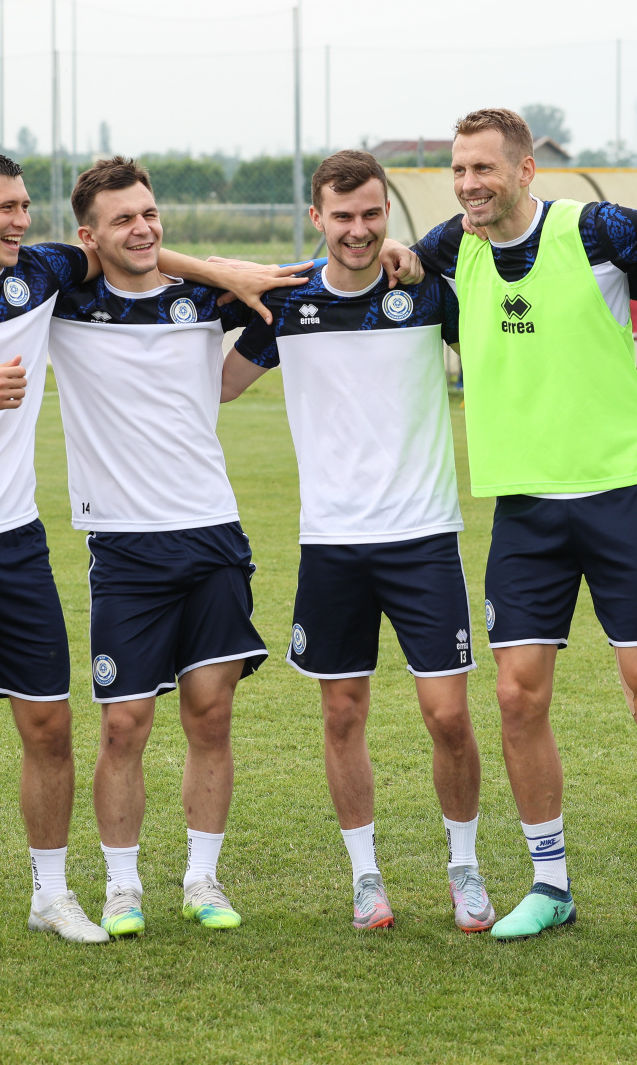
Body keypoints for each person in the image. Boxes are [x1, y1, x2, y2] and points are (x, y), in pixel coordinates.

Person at [0, 149, 301, 957]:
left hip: (25, 542)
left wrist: (219, 270)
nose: (21, 221)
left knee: (56, 727)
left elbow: (141, 257)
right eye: (7, 208)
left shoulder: (44, 275)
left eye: (26, 207)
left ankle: (57, 895)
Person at [412, 109, 637, 941]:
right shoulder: (449, 248)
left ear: (525, 168)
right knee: (516, 695)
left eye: (484, 168)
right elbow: (373, 264)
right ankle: (550, 884)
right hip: (524, 507)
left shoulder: (598, 230)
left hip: (618, 493)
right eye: (459, 169)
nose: (470, 184)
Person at [220, 151, 494, 933]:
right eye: (342, 216)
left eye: (372, 214)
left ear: (387, 214)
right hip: (332, 544)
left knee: (448, 716)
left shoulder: (426, 292)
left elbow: (501, 349)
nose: (358, 230)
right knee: (342, 713)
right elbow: (219, 384)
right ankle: (366, 877)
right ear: (318, 219)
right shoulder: (287, 303)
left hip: (424, 536)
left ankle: (465, 867)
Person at [49, 157, 271, 938]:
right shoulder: (64, 301)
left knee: (211, 715)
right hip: (123, 548)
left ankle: (203, 879)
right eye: (122, 219)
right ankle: (121, 887)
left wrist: (220, 277)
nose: (142, 229)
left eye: (149, 213)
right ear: (88, 237)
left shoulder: (207, 299)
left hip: (211, 534)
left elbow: (301, 295)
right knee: (124, 723)